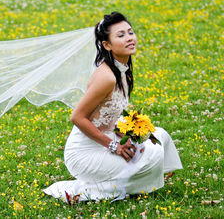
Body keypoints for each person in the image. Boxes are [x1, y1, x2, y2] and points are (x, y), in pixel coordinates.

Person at [43, 12, 183, 202]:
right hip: (83, 153)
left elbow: (105, 113)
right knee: (149, 157)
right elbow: (77, 117)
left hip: (106, 140)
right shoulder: (106, 77)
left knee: (158, 138)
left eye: (130, 32)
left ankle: (125, 182)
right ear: (106, 45)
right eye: (121, 35)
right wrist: (114, 146)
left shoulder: (122, 71)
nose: (129, 38)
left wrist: (124, 132)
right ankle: (87, 190)